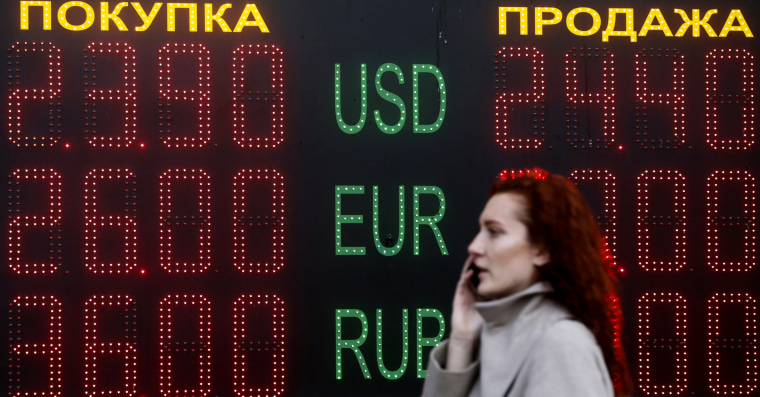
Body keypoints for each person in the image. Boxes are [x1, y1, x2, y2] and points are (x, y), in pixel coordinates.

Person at [421, 168, 632, 397]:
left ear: (542, 249)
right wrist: (462, 339)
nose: (474, 246)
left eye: (494, 231)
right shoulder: (494, 341)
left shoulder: (562, 342)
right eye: (480, 230)